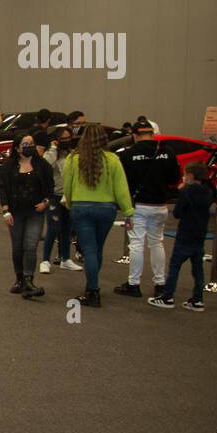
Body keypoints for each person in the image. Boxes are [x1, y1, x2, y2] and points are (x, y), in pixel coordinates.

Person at [63, 123, 133, 307]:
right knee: (97, 249)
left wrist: (70, 203)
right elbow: (121, 188)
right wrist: (128, 211)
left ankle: (93, 291)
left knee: (89, 250)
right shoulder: (113, 159)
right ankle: (91, 285)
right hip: (106, 209)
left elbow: (67, 185)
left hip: (81, 207)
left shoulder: (73, 159)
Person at [115, 121, 179, 299]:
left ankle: (134, 284)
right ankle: (160, 283)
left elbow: (123, 182)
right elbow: (174, 178)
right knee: (157, 243)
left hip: (138, 206)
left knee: (136, 244)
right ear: (153, 133)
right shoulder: (167, 152)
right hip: (161, 205)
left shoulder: (128, 154)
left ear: (134, 135)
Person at [148, 163, 212, 311]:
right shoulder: (208, 192)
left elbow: (177, 213)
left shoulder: (186, 191)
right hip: (200, 234)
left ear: (189, 175)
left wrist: (181, 190)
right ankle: (197, 299)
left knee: (175, 265)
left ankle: (168, 296)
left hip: (185, 233)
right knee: (198, 269)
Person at [0, 132, 53, 298]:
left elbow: (51, 188)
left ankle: (29, 279)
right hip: (15, 212)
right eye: (25, 144)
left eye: (31, 143)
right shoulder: (8, 167)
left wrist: (46, 203)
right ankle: (19, 278)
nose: (29, 146)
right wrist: (5, 210)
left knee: (30, 245)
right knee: (17, 246)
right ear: (17, 148)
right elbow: (3, 189)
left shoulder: (43, 165)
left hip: (35, 212)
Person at [40, 126, 81, 273]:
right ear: (56, 140)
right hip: (54, 196)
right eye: (63, 139)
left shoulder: (72, 154)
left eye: (68, 138)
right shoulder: (51, 154)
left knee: (67, 228)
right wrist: (52, 149)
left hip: (68, 196)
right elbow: (44, 166)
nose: (66, 141)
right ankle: (45, 260)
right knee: (53, 227)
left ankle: (66, 259)